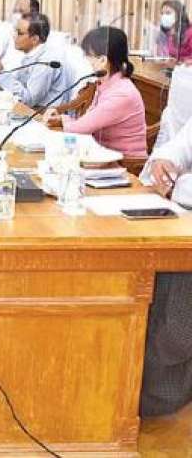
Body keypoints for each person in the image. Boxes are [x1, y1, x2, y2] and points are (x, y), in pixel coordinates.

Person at [140, 117, 192, 416]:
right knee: (155, 304)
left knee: (176, 324)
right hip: (179, 216)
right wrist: (165, 160)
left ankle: (156, 397)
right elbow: (181, 145)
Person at [42, 27, 147, 157]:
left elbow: (83, 128)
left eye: (88, 55)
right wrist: (61, 119)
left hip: (125, 163)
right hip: (104, 155)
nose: (86, 59)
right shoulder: (106, 83)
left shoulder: (122, 94)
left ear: (103, 60)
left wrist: (63, 120)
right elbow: (88, 120)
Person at [0, 12, 73, 107]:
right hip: (31, 109)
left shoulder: (46, 62)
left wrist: (0, 73)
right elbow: (19, 85)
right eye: (15, 31)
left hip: (44, 113)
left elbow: (28, 100)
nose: (14, 36)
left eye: (19, 33)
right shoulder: (32, 55)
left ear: (34, 39)